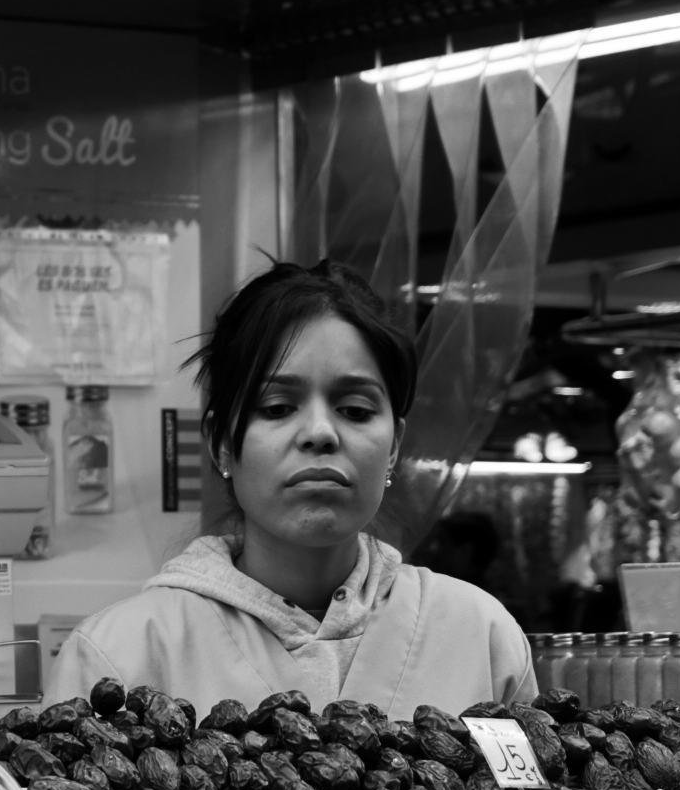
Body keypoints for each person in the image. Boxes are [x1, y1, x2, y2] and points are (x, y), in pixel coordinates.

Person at [47, 261, 536, 719]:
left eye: (356, 410)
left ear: (393, 448)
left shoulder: (482, 637)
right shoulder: (121, 655)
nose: (320, 433)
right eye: (278, 407)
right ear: (221, 444)